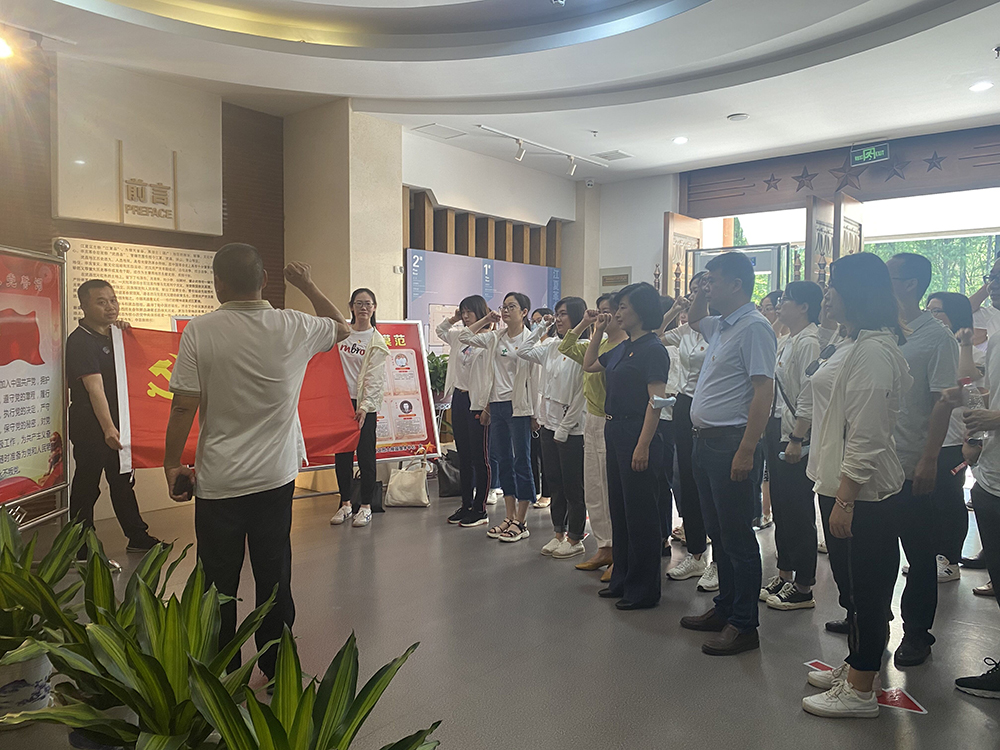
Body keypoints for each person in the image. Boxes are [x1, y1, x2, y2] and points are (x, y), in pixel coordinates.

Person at [164, 246, 349, 679]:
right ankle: (277, 663)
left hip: (219, 481)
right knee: (274, 573)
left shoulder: (200, 331)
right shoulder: (294, 325)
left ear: (218, 283)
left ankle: (220, 670)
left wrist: (172, 464)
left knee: (217, 580)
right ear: (264, 280)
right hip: (275, 478)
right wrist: (307, 285)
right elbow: (341, 326)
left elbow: (183, 405)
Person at [801, 252, 912, 718]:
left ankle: (862, 689)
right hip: (840, 484)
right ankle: (855, 666)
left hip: (864, 493)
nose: (828, 292)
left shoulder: (873, 350)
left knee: (867, 590)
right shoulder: (853, 341)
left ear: (857, 292)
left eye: (834, 284)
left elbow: (867, 432)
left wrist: (845, 498)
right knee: (851, 588)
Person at [679, 251, 776, 656]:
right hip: (705, 441)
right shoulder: (721, 325)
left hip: (731, 443)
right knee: (719, 532)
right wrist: (700, 291)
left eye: (713, 281)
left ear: (736, 284)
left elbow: (764, 391)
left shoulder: (754, 328)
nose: (706, 287)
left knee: (737, 538)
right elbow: (693, 319)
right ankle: (725, 608)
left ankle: (744, 624)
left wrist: (747, 449)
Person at [885, 253, 959, 668]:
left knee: (918, 552)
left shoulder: (937, 338)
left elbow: (943, 402)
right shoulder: (881, 328)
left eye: (889, 276)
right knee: (877, 548)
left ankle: (916, 633)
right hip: (877, 460)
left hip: (914, 460)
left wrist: (930, 459)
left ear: (910, 284)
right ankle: (872, 617)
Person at [584, 282, 668, 610]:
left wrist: (643, 445)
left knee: (640, 515)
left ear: (641, 311)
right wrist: (597, 331)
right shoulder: (622, 348)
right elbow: (590, 364)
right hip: (614, 428)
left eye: (623, 307)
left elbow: (656, 402)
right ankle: (621, 577)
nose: (617, 313)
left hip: (637, 431)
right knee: (619, 509)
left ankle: (643, 589)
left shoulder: (653, 349)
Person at [67, 279, 162, 555]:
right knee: (87, 484)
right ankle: (79, 544)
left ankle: (137, 536)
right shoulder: (80, 340)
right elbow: (94, 389)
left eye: (113, 300)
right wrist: (108, 428)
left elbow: (141, 369)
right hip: (91, 424)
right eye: (101, 302)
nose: (110, 306)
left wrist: (128, 336)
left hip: (119, 422)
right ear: (84, 306)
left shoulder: (115, 336)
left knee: (122, 481)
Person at [760, 281, 822, 610]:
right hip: (776, 429)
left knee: (798, 509)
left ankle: (804, 584)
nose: (779, 304)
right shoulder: (787, 339)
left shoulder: (809, 342)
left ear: (804, 307)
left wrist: (798, 437)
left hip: (794, 435)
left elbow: (808, 394)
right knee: (782, 507)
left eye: (786, 300)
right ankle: (784, 573)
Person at [461, 292, 539, 542]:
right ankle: (509, 516)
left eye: (511, 307)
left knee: (522, 461)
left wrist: (536, 413)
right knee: (503, 460)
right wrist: (486, 319)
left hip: (520, 407)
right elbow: (464, 337)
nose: (505, 311)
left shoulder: (530, 340)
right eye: (503, 306)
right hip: (497, 405)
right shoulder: (496, 337)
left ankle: (522, 521)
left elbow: (535, 380)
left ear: (524, 312)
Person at [559, 294, 627, 573]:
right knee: (594, 488)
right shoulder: (596, 345)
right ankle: (604, 547)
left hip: (612, 421)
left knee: (611, 489)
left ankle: (620, 551)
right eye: (599, 311)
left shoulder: (624, 347)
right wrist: (587, 324)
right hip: (592, 420)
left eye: (607, 311)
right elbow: (566, 346)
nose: (603, 316)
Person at [948, 330, 1000, 699]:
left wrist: (994, 418)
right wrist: (976, 436)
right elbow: (987, 393)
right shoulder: (996, 340)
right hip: (991, 479)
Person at [519, 297, 588, 558]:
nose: (558, 319)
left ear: (578, 316)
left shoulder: (584, 348)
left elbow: (581, 394)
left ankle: (575, 537)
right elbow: (523, 351)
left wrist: (565, 427)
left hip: (572, 428)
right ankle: (558, 532)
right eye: (556, 314)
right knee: (555, 482)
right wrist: (541, 327)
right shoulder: (551, 346)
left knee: (573, 486)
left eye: (563, 314)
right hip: (548, 424)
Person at [659, 273, 715, 591]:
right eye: (693, 291)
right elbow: (655, 334)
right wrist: (673, 310)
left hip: (711, 406)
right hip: (684, 405)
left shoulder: (720, 326)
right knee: (686, 480)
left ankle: (719, 561)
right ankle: (696, 554)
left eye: (702, 290)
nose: (696, 295)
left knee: (710, 483)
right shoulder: (685, 331)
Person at [925, 292, 980, 582]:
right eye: (928, 310)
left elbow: (973, 393)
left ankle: (950, 559)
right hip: (930, 438)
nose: (931, 316)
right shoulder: (933, 346)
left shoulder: (965, 351)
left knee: (949, 500)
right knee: (930, 501)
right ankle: (935, 554)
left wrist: (973, 439)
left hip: (955, 439)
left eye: (937, 311)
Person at [330, 288, 391, 528]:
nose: (363, 308)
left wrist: (365, 406)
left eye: (368, 304)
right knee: (342, 455)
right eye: (359, 303)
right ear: (351, 307)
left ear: (374, 308)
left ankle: (365, 506)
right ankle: (345, 503)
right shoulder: (342, 333)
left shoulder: (376, 340)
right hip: (340, 402)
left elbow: (375, 378)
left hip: (364, 404)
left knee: (366, 455)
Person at [437, 296, 493, 527]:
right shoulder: (460, 336)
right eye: (463, 311)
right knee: (464, 455)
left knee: (480, 457)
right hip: (459, 398)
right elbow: (441, 330)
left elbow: (492, 375)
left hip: (477, 400)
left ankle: (480, 508)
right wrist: (454, 318)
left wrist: (488, 405)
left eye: (470, 311)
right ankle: (466, 504)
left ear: (480, 311)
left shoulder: (490, 339)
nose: (466, 315)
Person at [528, 308, 555, 509]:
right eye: (534, 321)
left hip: (546, 406)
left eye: (542, 320)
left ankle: (547, 493)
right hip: (533, 404)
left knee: (546, 456)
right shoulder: (535, 345)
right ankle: (535, 490)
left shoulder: (552, 345)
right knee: (533, 453)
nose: (537, 324)